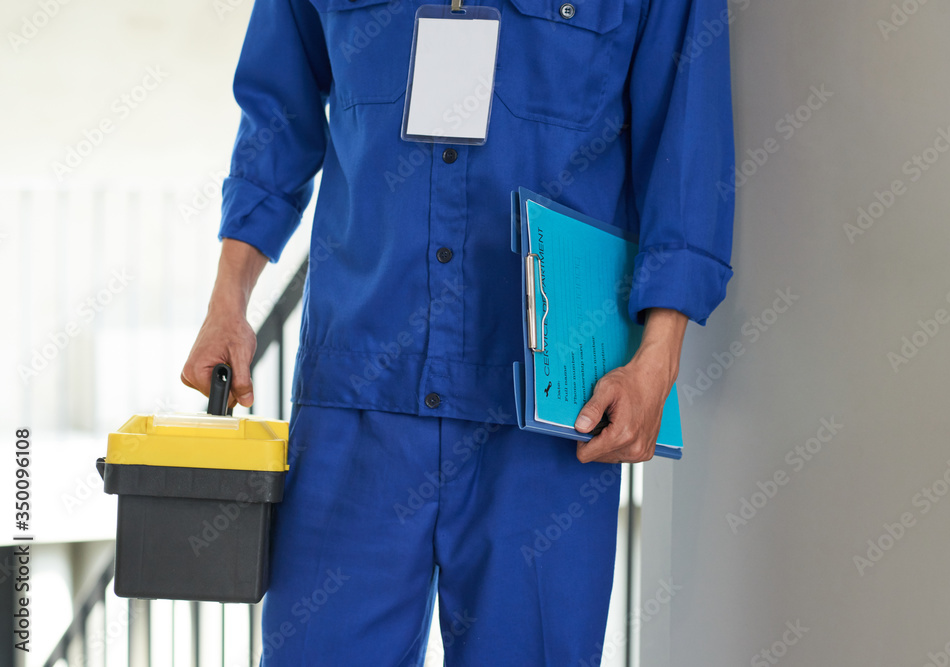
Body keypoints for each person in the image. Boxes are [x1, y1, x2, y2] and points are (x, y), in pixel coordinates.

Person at [181, 0, 734, 662]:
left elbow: (687, 140)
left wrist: (658, 358)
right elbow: (278, 115)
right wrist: (227, 300)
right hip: (359, 395)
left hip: (549, 410)